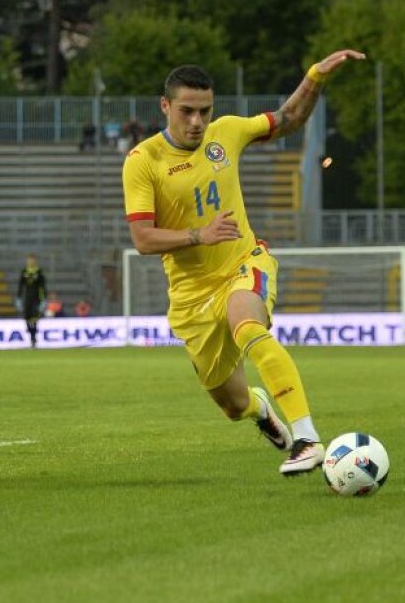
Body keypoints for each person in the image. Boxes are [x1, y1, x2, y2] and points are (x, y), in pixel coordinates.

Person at [122, 49, 365, 476]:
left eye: (204, 111)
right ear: (166, 107)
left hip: (243, 264)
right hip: (191, 296)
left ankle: (307, 439)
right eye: (186, 111)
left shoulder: (227, 133)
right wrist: (200, 234)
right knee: (232, 404)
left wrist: (314, 78)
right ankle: (260, 411)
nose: (197, 121)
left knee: (248, 323)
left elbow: (288, 119)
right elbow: (142, 239)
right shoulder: (144, 162)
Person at [16, 254, 47, 347]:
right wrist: (18, 298)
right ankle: (31, 332)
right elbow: (21, 286)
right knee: (27, 317)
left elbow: (42, 287)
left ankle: (33, 337)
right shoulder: (24, 272)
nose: (31, 262)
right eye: (29, 260)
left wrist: (44, 299)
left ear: (35, 261)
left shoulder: (39, 272)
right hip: (27, 298)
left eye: (32, 260)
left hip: (36, 298)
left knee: (34, 317)